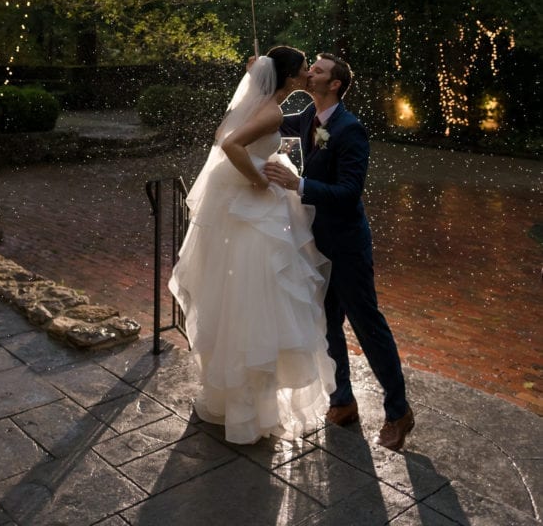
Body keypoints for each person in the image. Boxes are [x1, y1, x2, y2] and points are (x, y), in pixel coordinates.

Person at [168, 46, 336, 445]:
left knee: (241, 305)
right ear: (292, 78)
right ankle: (251, 414)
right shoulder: (272, 111)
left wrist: (259, 72)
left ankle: (237, 406)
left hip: (247, 214)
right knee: (260, 307)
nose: (309, 75)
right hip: (256, 214)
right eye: (304, 70)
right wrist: (260, 179)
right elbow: (229, 145)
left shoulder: (263, 102)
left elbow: (222, 134)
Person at [263, 52, 415, 451]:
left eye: (319, 70)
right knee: (327, 323)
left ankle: (399, 411)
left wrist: (297, 185)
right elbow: (269, 120)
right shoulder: (307, 119)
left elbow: (349, 194)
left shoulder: (350, 130)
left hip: (347, 246)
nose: (310, 71)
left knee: (368, 326)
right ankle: (342, 401)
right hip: (318, 244)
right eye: (310, 66)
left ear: (334, 85)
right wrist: (262, 78)